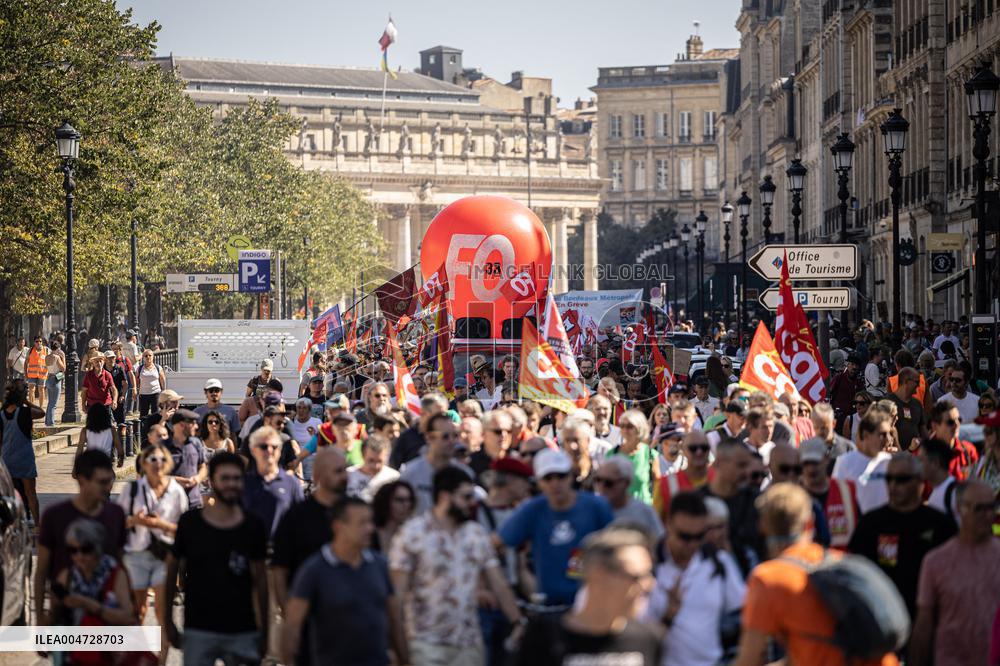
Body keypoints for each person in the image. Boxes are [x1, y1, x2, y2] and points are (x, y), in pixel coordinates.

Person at [735, 483, 900, 666]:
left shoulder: (767, 579)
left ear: (762, 526)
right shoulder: (839, 561)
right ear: (810, 523)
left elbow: (749, 660)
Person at [390, 467, 527, 665]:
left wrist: (517, 621)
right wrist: (400, 648)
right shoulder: (412, 534)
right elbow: (397, 596)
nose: (472, 503)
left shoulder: (476, 534)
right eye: (466, 496)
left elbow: (498, 583)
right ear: (445, 496)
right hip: (425, 644)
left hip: (468, 644)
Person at [165, 452, 269, 666]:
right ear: (211, 481)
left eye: (236, 478)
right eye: (225, 478)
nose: (231, 484)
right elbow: (171, 570)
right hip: (198, 628)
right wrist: (167, 620)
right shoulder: (190, 523)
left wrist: (266, 629)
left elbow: (261, 580)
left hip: (243, 630)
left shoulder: (253, 526)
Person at [281, 496, 408, 666]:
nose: (370, 528)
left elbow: (394, 618)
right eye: (362, 523)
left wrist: (405, 660)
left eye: (370, 521)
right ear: (339, 527)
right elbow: (292, 626)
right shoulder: (314, 570)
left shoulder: (380, 565)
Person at [515, 528, 661, 665]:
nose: (649, 585)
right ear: (598, 575)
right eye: (636, 577)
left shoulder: (648, 639)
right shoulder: (543, 638)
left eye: (649, 575)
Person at [498, 448, 614, 608]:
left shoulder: (596, 506)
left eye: (561, 476)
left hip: (592, 603)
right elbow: (495, 543)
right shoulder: (532, 510)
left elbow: (617, 547)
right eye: (548, 478)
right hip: (550, 606)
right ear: (539, 481)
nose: (555, 483)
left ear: (570, 476)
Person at [847, 453, 957, 619]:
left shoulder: (940, 524)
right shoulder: (871, 523)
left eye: (901, 479)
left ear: (920, 482)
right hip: (883, 618)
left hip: (928, 617)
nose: (893, 485)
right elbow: (857, 573)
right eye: (889, 478)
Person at [644, 492, 745, 666]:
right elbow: (632, 634)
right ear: (668, 525)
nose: (692, 544)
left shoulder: (719, 562)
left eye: (699, 537)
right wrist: (668, 616)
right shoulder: (647, 567)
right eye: (685, 537)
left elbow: (744, 614)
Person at [910, 480, 1000, 666]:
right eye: (979, 509)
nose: (988, 515)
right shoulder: (935, 562)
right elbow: (924, 625)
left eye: (991, 508)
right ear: (960, 509)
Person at [35, 450, 126, 626]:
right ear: (83, 481)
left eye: (110, 481)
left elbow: (121, 564)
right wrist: (40, 618)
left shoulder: (116, 514)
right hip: (65, 616)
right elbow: (41, 571)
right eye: (102, 482)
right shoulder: (55, 516)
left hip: (107, 615)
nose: (109, 487)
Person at [117, 443, 188, 663]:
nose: (157, 464)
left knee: (162, 610)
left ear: (168, 463)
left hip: (164, 557)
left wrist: (161, 524)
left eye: (161, 460)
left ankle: (162, 660)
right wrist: (135, 521)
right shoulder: (133, 490)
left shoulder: (176, 490)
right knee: (137, 610)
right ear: (143, 464)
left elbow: (185, 530)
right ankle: (139, 656)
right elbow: (119, 524)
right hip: (136, 555)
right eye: (152, 460)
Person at [43, 519, 138, 664]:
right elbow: (54, 619)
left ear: (97, 548)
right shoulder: (67, 577)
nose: (79, 556)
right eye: (73, 550)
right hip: (76, 657)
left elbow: (129, 617)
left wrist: (90, 606)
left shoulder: (116, 575)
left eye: (85, 549)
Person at [271, 447, 348, 616]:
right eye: (337, 471)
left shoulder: (356, 511)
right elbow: (280, 569)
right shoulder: (295, 517)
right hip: (307, 613)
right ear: (318, 475)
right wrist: (288, 612)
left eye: (344, 470)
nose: (344, 476)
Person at [697, 439, 765, 576]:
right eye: (741, 465)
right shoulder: (697, 502)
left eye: (748, 465)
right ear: (720, 462)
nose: (746, 472)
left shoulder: (759, 501)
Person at [399, 412, 474, 514]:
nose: (452, 441)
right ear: (429, 438)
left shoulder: (465, 473)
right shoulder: (410, 473)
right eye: (445, 436)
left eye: (455, 435)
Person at [242, 426, 304, 539]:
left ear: (280, 451)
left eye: (274, 447)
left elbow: (301, 521)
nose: (269, 450)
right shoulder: (243, 483)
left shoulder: (291, 483)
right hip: (250, 552)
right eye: (264, 446)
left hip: (282, 551)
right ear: (253, 450)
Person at [799, 438, 859, 550]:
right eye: (807, 463)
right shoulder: (794, 495)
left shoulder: (847, 489)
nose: (811, 469)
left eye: (815, 462)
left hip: (841, 562)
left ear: (826, 459)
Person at [832, 411, 893, 513]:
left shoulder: (890, 462)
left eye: (889, 434)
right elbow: (836, 499)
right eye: (882, 434)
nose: (888, 440)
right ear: (865, 435)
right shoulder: (844, 462)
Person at [2, 380, 44, 523]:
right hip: (24, 459)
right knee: (30, 492)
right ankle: (37, 523)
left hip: (7, 459)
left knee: (9, 494)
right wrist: (27, 402)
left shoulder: (1, 415)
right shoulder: (25, 412)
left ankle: (13, 521)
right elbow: (41, 413)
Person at [594, 456, 664, 540]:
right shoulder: (591, 509)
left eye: (609, 483)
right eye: (598, 480)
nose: (601, 487)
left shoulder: (644, 511)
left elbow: (660, 541)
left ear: (626, 483)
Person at [654, 430, 715, 520]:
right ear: (683, 450)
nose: (699, 452)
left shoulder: (719, 479)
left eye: (704, 448)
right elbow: (656, 523)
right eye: (693, 448)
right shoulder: (665, 483)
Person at [390, 393, 448, 469]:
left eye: (444, 414)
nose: (443, 419)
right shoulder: (406, 438)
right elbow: (394, 467)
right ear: (424, 413)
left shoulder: (450, 436)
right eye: (439, 414)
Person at [609, 408, 655, 503]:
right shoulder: (612, 454)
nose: (625, 430)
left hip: (643, 510)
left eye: (630, 426)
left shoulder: (650, 454)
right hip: (618, 510)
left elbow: (659, 486)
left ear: (640, 428)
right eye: (622, 426)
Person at [166, 408, 207, 508]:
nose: (196, 426)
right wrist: (174, 480)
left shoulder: (196, 443)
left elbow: (203, 467)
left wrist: (197, 478)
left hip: (194, 502)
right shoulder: (162, 447)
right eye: (193, 423)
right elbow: (152, 475)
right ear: (181, 425)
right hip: (170, 504)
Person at [928, 401, 979, 480]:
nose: (957, 424)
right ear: (935, 426)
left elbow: (976, 483)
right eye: (950, 422)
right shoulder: (923, 455)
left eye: (959, 419)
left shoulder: (969, 451)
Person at [347, 435, 399, 501]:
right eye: (371, 460)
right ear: (362, 455)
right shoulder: (347, 476)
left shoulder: (394, 478)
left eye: (380, 461)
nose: (375, 466)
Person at [921, 438, 960, 523]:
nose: (917, 465)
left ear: (935, 463)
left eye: (921, 460)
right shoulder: (936, 493)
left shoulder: (955, 494)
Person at [372, 480, 416, 553]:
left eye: (409, 500)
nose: (406, 505)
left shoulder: (415, 536)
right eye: (399, 500)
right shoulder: (370, 536)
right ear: (385, 502)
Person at [75, 398, 123, 464]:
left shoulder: (85, 431)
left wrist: (76, 466)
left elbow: (80, 449)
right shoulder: (112, 430)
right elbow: (118, 446)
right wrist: (121, 459)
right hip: (105, 461)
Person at [136, 349, 166, 418]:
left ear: (153, 357)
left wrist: (163, 391)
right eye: (146, 356)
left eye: (150, 355)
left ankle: (154, 427)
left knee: (155, 413)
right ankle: (143, 427)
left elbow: (162, 379)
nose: (148, 357)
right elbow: (136, 380)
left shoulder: (158, 367)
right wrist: (136, 390)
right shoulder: (140, 368)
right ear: (143, 358)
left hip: (155, 393)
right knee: (143, 414)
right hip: (144, 394)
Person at [43, 338, 66, 427]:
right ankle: (51, 422)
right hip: (56, 379)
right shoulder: (57, 357)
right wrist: (63, 358)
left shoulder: (47, 357)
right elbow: (63, 368)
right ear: (57, 349)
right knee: (54, 403)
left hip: (49, 378)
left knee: (50, 402)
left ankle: (47, 422)